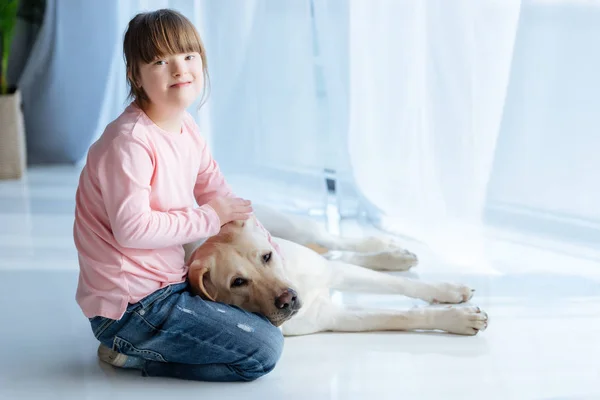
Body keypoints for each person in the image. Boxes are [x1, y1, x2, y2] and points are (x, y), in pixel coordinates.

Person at [73, 8, 284, 382]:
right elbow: (132, 230)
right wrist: (209, 217)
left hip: (168, 283)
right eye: (159, 60)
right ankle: (131, 354)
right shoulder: (131, 143)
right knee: (264, 351)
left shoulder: (185, 127)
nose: (179, 68)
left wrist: (264, 245)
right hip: (132, 307)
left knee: (263, 306)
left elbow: (218, 192)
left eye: (188, 55)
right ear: (134, 75)